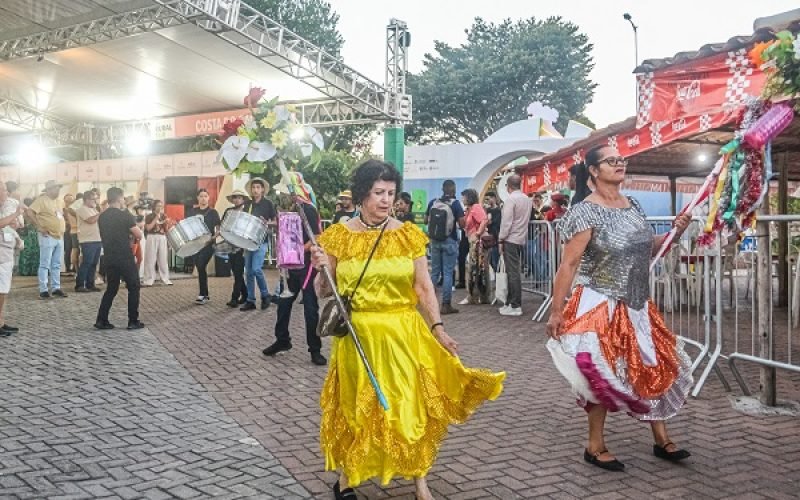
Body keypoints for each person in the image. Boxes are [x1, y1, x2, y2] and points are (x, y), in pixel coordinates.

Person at [311, 160, 505, 500]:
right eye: (378, 193)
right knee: (358, 407)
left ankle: (419, 481)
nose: (386, 200)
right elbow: (322, 291)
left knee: (408, 406)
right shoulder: (339, 236)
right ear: (361, 195)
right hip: (359, 338)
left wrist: (438, 328)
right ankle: (347, 478)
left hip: (403, 333)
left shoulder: (407, 234)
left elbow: (424, 287)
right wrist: (321, 268)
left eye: (390, 193)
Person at [546, 145, 693, 472]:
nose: (619, 164)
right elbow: (568, 265)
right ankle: (595, 445)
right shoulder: (585, 211)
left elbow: (647, 249)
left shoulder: (633, 205)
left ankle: (661, 437)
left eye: (621, 160)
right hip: (599, 302)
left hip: (637, 303)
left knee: (650, 364)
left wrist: (675, 232)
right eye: (611, 160)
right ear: (594, 171)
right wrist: (557, 310)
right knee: (603, 371)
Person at [261, 199, 326, 366]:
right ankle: (282, 340)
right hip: (290, 266)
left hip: (306, 265)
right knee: (283, 304)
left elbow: (316, 237)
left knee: (310, 309)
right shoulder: (283, 209)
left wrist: (295, 250)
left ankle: (315, 349)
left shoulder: (307, 210)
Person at [95, 187, 145, 330]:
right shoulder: (125, 216)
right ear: (119, 198)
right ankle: (133, 320)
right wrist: (138, 228)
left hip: (109, 256)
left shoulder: (102, 216)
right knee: (134, 286)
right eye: (123, 198)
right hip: (124, 256)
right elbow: (138, 235)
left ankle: (101, 319)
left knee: (111, 288)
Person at [425, 179, 465, 315]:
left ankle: (428, 302)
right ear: (453, 190)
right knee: (448, 273)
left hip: (434, 241)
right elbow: (462, 224)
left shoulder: (433, 202)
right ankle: (446, 305)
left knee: (435, 272)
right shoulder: (456, 204)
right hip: (449, 240)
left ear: (442, 189)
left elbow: (426, 220)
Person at [27, 180, 68, 299]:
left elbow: (59, 215)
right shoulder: (41, 200)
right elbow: (30, 212)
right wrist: (39, 227)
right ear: (49, 190)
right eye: (56, 188)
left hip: (59, 235)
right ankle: (43, 290)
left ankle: (56, 288)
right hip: (47, 235)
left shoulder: (59, 201)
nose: (58, 190)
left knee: (56, 264)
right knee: (45, 263)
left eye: (59, 187)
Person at [497, 174, 532, 316]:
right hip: (521, 238)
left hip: (510, 239)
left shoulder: (510, 200)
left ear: (508, 186)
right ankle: (511, 302)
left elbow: (506, 222)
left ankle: (515, 304)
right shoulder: (527, 200)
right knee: (514, 271)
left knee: (512, 273)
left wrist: (501, 238)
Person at [241, 178, 276, 311]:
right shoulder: (248, 204)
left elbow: (275, 222)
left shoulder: (268, 204)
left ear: (262, 189)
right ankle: (250, 300)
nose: (255, 190)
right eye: (253, 187)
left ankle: (265, 294)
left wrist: (267, 223)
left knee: (256, 269)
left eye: (258, 187)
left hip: (262, 240)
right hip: (248, 241)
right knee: (248, 272)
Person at [0, 182, 25, 337]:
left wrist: (15, 223)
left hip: (7, 253)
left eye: (4, 189)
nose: (5, 192)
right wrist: (14, 215)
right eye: (2, 190)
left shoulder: (8, 206)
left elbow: (13, 225)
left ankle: (1, 322)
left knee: (3, 290)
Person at [458, 188, 488, 305]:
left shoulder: (476, 208)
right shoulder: (470, 209)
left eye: (464, 197)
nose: (462, 199)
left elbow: (484, 220)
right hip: (473, 241)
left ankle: (474, 295)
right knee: (476, 269)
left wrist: (478, 233)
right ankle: (476, 295)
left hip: (477, 242)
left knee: (475, 269)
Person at [191, 189, 221, 305]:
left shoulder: (213, 212)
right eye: (201, 196)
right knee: (200, 267)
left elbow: (218, 228)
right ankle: (205, 294)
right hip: (195, 244)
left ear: (209, 198)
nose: (203, 198)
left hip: (208, 244)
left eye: (205, 196)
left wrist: (213, 238)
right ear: (197, 198)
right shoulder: (193, 211)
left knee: (201, 264)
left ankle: (202, 294)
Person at [223, 189, 250, 307]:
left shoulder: (247, 211)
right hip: (230, 245)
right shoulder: (228, 211)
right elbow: (223, 226)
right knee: (236, 272)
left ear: (243, 199)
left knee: (238, 273)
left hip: (242, 246)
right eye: (235, 197)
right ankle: (245, 295)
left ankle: (234, 298)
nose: (237, 199)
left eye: (239, 197)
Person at [75, 190, 103, 293]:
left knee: (94, 263)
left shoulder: (94, 209)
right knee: (87, 262)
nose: (95, 201)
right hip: (87, 240)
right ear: (86, 200)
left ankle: (90, 284)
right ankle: (80, 285)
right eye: (93, 199)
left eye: (96, 199)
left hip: (97, 239)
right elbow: (90, 220)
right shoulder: (82, 209)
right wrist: (101, 213)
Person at [142, 200, 172, 286]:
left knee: (163, 259)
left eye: (161, 206)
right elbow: (148, 228)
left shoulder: (164, 216)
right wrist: (156, 218)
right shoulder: (149, 216)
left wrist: (167, 224)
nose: (160, 207)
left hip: (162, 237)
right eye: (158, 205)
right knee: (150, 259)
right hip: (152, 237)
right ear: (154, 207)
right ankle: (149, 279)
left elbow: (166, 230)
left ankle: (165, 278)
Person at [17, 197, 39, 277]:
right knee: (34, 252)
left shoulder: (23, 211)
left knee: (26, 252)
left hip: (26, 234)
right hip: (32, 233)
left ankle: (25, 271)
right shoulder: (32, 212)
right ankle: (33, 270)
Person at [484, 191, 502, 271]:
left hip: (495, 237)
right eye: (486, 199)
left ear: (494, 198)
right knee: (489, 260)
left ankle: (497, 277)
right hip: (487, 238)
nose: (487, 201)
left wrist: (488, 221)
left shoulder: (498, 210)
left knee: (495, 260)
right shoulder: (486, 210)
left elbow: (493, 222)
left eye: (489, 199)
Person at [63, 193, 79, 274]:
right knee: (69, 249)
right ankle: (68, 267)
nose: (69, 202)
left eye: (71, 201)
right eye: (67, 201)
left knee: (74, 249)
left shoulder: (74, 209)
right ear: (65, 201)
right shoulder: (64, 210)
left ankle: (73, 267)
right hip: (68, 231)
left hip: (74, 230)